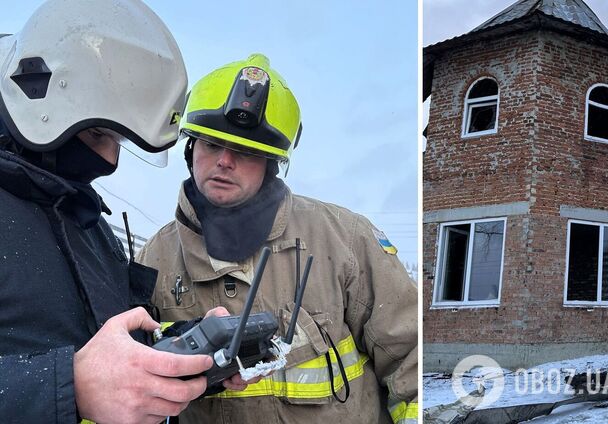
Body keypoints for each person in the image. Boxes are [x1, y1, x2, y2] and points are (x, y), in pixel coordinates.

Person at [0, 1, 250, 422]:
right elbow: (87, 378)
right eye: (99, 133)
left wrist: (189, 350)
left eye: (118, 139)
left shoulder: (90, 225)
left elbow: (114, 355)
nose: (111, 160)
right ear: (37, 94)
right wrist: (71, 385)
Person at [137, 53, 419, 424]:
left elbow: (412, 360)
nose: (224, 161)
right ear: (190, 149)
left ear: (271, 164)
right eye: (210, 143)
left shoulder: (344, 239)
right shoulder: (153, 262)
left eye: (244, 151)